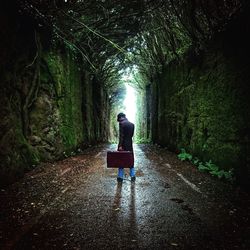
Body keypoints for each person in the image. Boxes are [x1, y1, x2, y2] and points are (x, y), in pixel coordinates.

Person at [117, 112, 135, 182]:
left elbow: (121, 136)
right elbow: (131, 135)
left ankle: (120, 176)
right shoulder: (132, 125)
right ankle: (133, 175)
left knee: (121, 159)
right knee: (130, 159)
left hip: (123, 144)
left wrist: (120, 145)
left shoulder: (121, 124)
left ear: (120, 118)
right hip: (130, 144)